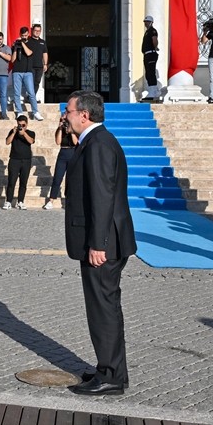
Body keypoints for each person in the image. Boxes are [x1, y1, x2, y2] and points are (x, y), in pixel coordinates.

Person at [64, 90, 137, 396]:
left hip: (103, 244)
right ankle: (110, 368)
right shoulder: (95, 142)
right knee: (103, 307)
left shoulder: (99, 145)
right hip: (103, 240)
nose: (65, 117)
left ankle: (111, 375)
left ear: (85, 114)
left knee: (103, 309)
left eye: (68, 111)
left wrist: (98, 244)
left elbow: (103, 197)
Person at [43, 110, 77, 210]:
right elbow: (58, 142)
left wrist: (70, 130)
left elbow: (75, 142)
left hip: (72, 153)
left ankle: (68, 201)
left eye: (66, 119)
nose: (65, 120)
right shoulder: (60, 129)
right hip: (62, 153)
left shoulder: (74, 129)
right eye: (63, 118)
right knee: (57, 178)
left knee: (71, 179)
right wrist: (60, 128)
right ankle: (51, 200)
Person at [4, 114, 36, 210]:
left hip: (26, 160)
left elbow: (31, 141)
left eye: (23, 125)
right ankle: (8, 201)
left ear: (27, 124)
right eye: (19, 124)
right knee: (11, 181)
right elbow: (7, 142)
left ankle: (20, 201)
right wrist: (14, 133)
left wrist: (24, 133)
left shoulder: (31, 133)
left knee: (23, 182)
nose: (21, 127)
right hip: (14, 160)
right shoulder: (13, 131)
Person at [11, 28, 43, 120]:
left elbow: (29, 53)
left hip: (28, 71)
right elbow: (13, 60)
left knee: (31, 93)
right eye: (22, 36)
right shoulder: (16, 44)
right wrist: (15, 48)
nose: (24, 37)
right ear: (20, 34)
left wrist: (22, 43)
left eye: (25, 35)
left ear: (28, 34)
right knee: (17, 93)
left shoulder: (31, 43)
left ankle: (35, 112)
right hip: (17, 71)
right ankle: (19, 112)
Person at [140, 15, 161, 101]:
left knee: (151, 72)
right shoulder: (147, 31)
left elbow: (154, 40)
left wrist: (155, 47)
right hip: (147, 54)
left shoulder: (152, 31)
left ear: (151, 22)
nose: (146, 23)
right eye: (145, 22)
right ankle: (152, 89)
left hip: (151, 54)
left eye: (147, 22)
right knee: (148, 72)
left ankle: (153, 90)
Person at [27, 23, 48, 105]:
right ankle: (30, 98)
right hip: (30, 66)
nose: (37, 32)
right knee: (30, 83)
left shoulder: (42, 42)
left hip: (39, 66)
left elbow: (45, 53)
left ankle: (32, 98)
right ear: (32, 31)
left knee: (37, 82)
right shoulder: (28, 41)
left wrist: (45, 64)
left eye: (39, 31)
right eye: (35, 30)